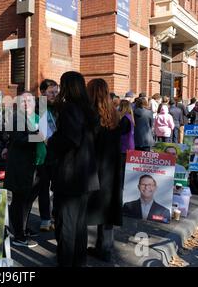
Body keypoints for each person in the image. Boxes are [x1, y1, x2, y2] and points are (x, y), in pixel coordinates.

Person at [48, 71, 100, 267]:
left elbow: (70, 139)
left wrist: (51, 140)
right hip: (85, 176)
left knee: (66, 226)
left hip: (70, 176)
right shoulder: (88, 109)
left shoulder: (70, 108)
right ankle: (79, 262)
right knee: (79, 226)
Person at [4, 91, 46, 248]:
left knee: (28, 200)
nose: (27, 103)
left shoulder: (38, 117)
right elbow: (20, 139)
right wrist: (39, 136)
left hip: (37, 165)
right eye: (23, 101)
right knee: (19, 200)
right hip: (20, 167)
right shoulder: (16, 118)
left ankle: (24, 227)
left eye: (29, 100)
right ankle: (19, 235)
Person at [86, 78, 122, 262]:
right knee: (107, 210)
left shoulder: (91, 115)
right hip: (112, 167)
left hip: (93, 168)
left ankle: (78, 249)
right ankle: (105, 248)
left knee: (83, 209)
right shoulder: (114, 114)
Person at [36, 79, 58, 231]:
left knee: (57, 187)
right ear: (42, 92)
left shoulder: (57, 107)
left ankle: (56, 216)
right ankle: (45, 218)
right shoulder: (37, 107)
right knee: (43, 187)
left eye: (56, 92)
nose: (54, 95)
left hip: (56, 152)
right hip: (43, 152)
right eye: (51, 92)